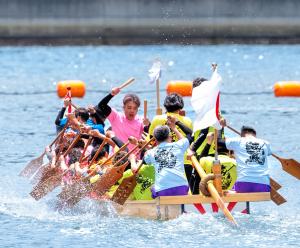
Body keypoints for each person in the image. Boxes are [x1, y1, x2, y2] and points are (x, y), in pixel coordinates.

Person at [219, 125, 271, 193]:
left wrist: (220, 126)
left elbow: (219, 142)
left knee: (230, 188)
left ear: (242, 134)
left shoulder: (238, 140)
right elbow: (269, 153)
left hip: (243, 186)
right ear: (254, 133)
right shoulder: (265, 143)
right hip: (264, 187)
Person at [143, 124, 189, 198]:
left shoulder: (151, 152)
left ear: (155, 139)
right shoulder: (179, 145)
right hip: (182, 187)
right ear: (170, 137)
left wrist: (146, 150)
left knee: (152, 187)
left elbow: (145, 160)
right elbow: (187, 137)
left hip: (162, 190)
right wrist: (174, 128)